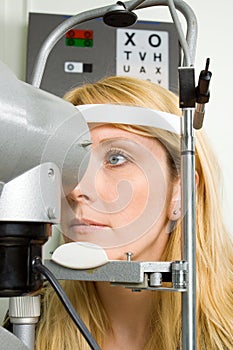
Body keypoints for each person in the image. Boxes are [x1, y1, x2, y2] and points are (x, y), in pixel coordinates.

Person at [35, 76, 233, 350]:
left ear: (181, 191)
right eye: (70, 161)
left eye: (116, 159)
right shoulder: (31, 318)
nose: (77, 188)